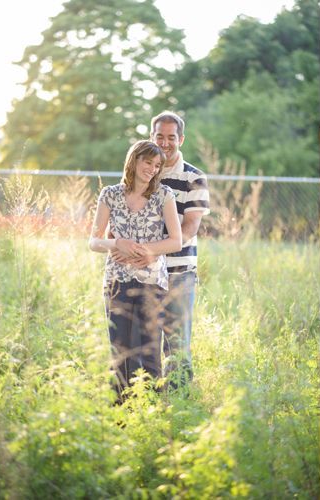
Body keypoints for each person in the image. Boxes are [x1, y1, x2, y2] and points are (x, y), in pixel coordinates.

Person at [114, 111, 209, 387]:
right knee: (144, 346)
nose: (165, 143)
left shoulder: (194, 178)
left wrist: (152, 250)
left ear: (181, 139)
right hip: (142, 273)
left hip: (178, 271)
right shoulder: (141, 175)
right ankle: (149, 405)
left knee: (177, 345)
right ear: (151, 137)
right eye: (159, 137)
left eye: (171, 137)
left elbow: (190, 228)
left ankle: (179, 406)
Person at [89, 140, 182, 400]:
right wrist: (116, 243)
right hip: (116, 281)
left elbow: (176, 241)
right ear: (134, 160)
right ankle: (120, 414)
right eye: (147, 162)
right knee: (120, 350)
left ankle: (151, 411)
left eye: (156, 166)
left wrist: (147, 250)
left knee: (148, 350)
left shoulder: (164, 195)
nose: (152, 169)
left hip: (152, 281)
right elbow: (94, 241)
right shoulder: (109, 194)